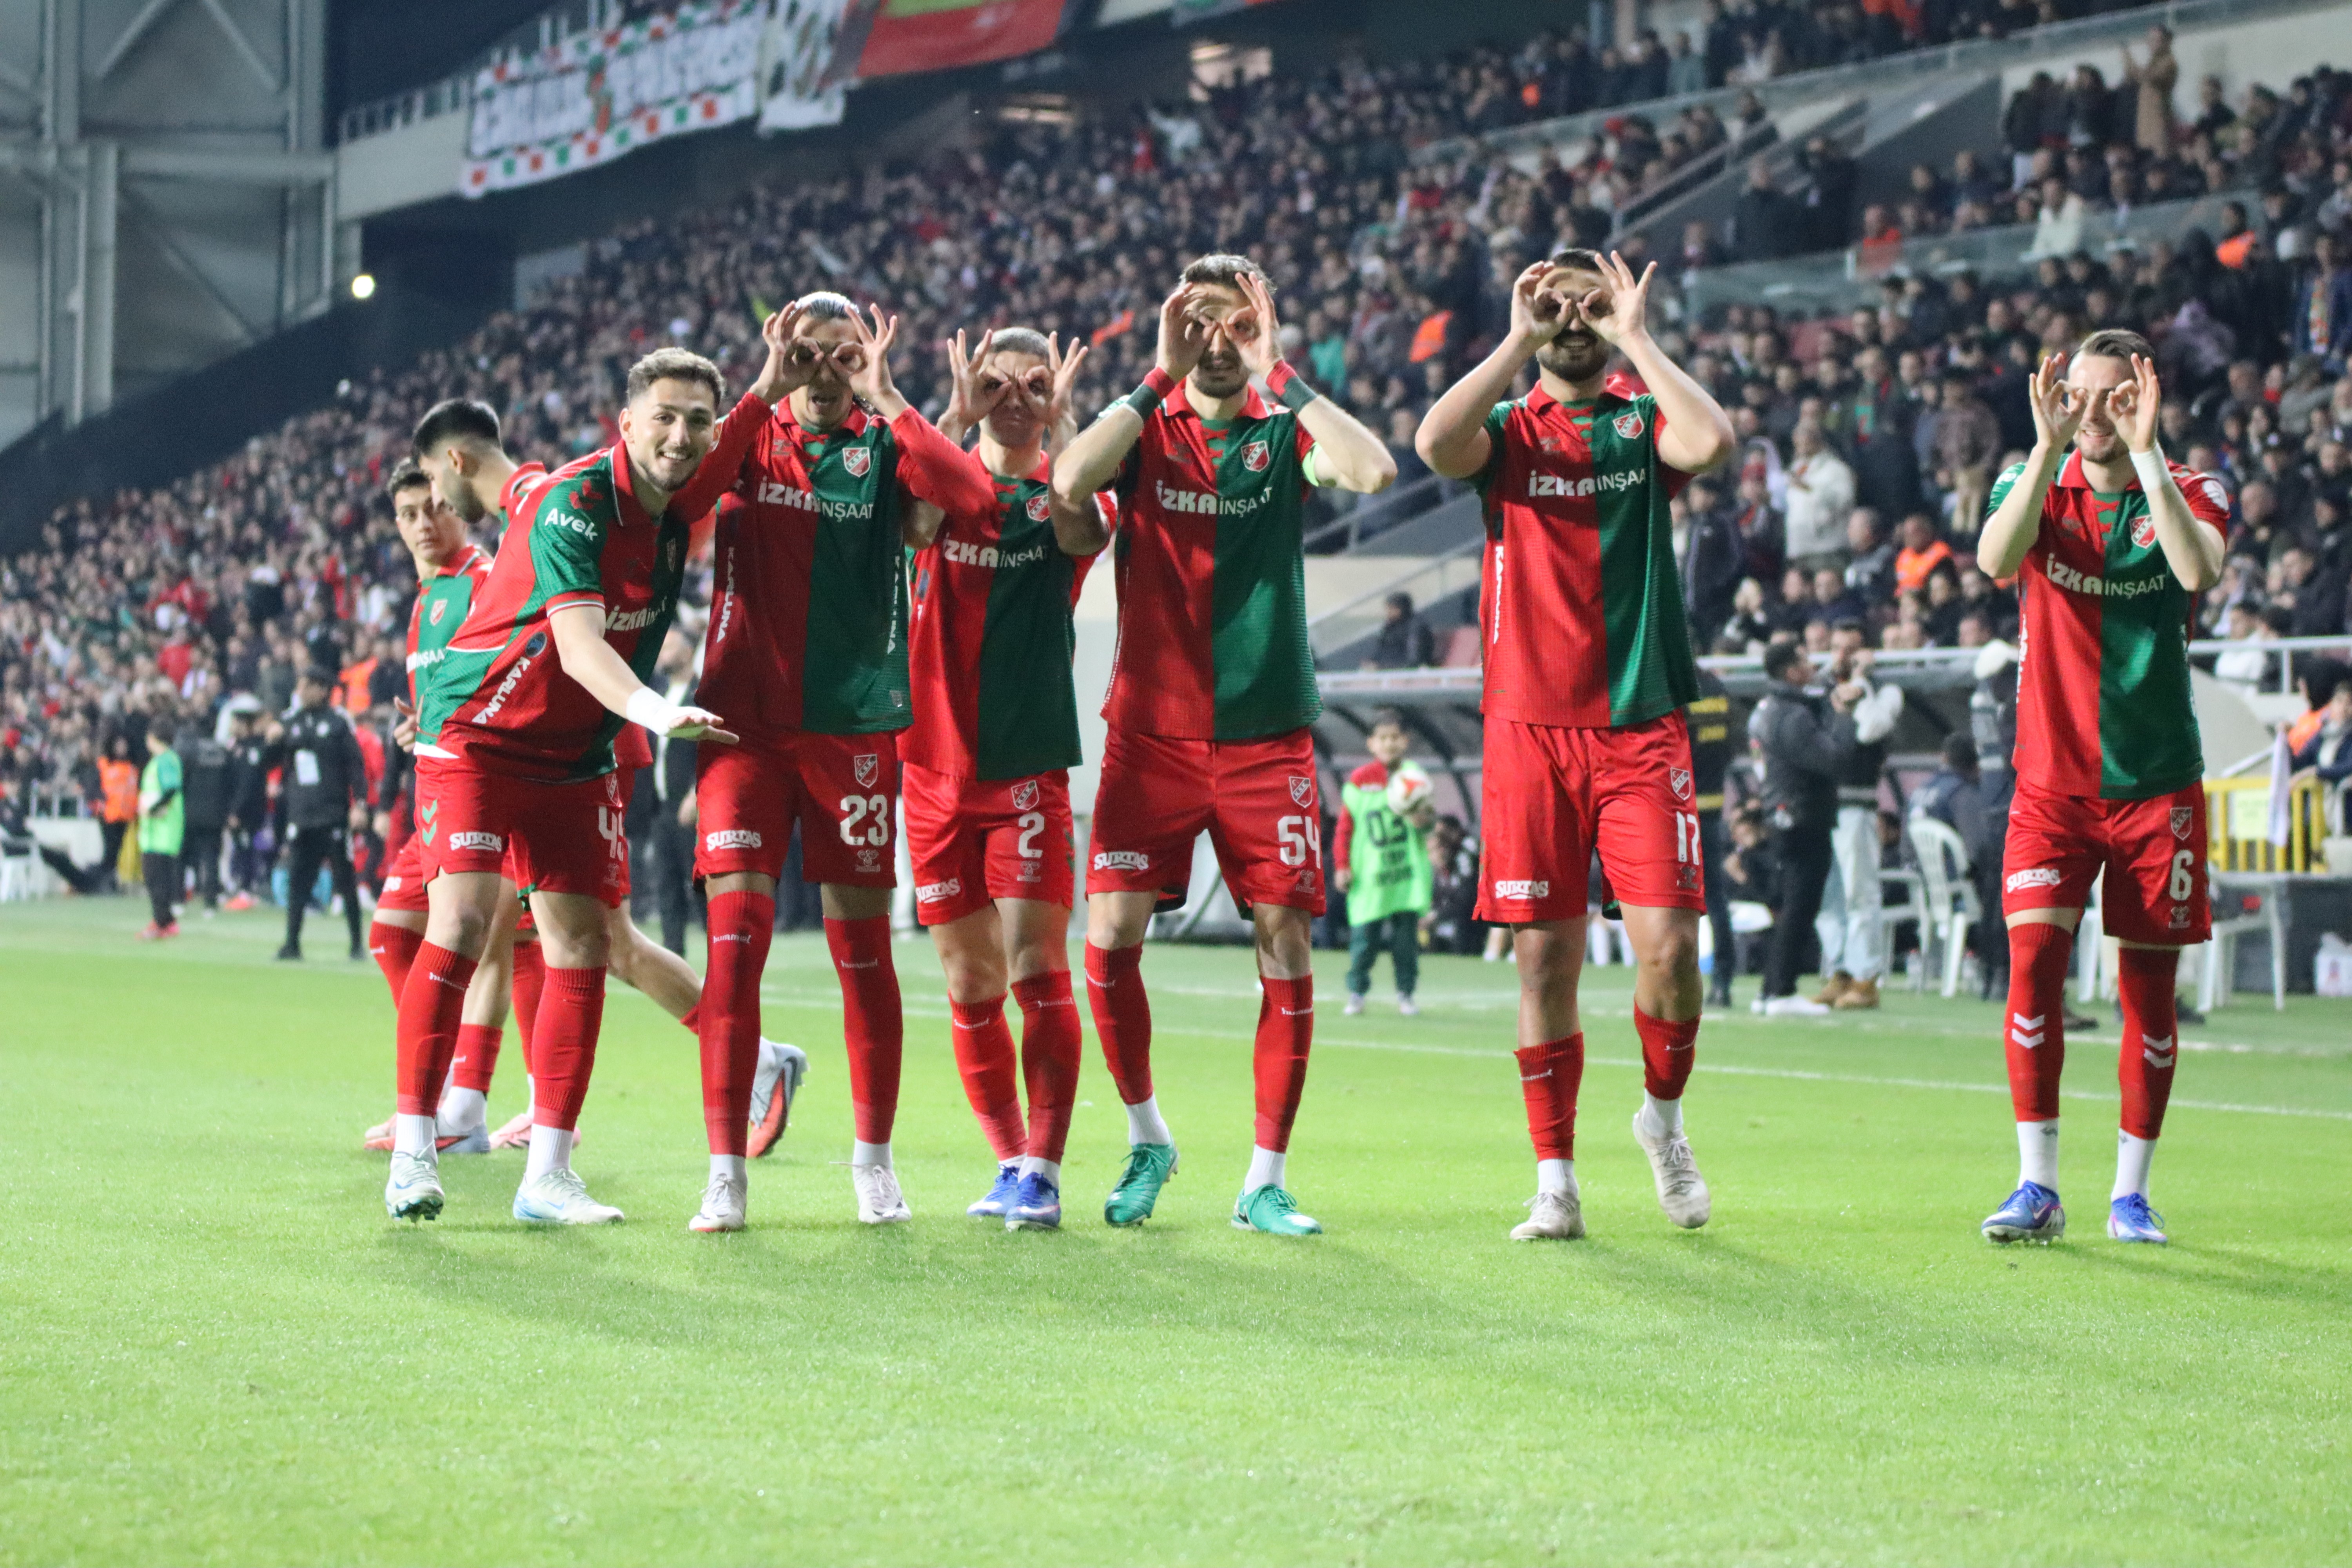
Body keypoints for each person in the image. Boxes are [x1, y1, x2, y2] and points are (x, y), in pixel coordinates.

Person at [395, 323, 793, 1227]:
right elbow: (579, 648)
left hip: (575, 754)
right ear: (626, 423)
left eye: (695, 421)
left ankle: (548, 1177)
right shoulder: (573, 502)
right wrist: (656, 709)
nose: (681, 435)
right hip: (481, 738)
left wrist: (768, 386)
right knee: (461, 925)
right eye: (664, 417)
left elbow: (719, 444)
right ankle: (418, 1150)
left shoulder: (667, 500)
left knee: (583, 945)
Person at [1053, 253, 1397, 1236]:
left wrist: (1276, 366)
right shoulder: (1145, 428)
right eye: (1199, 321)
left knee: (1285, 941)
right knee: (1110, 938)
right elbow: (1068, 479)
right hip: (1151, 732)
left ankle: (1264, 1180)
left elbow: (1374, 470)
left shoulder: (1283, 434)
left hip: (1265, 734)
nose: (1217, 340)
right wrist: (1156, 373)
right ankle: (1147, 1138)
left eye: (1235, 321)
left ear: (1263, 327)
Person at [1416, 246, 1735, 1242]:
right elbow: (1435, 443)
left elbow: (1713, 442)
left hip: (1640, 720)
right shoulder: (1510, 429)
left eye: (1588, 303)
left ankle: (1662, 1121)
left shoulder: (1641, 423)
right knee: (1543, 963)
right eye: (1553, 304)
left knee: (1671, 950)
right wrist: (1515, 339)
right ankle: (1554, 1180)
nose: (1571, 319)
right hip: (1528, 729)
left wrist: (1636, 335)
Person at [684, 294, 988, 1233]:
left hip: (852, 728)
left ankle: (874, 1164)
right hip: (740, 729)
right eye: (808, 353)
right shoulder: (751, 438)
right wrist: (759, 387)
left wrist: (891, 395)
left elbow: (972, 499)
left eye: (843, 355)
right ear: (783, 352)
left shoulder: (884, 443)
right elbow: (687, 502)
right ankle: (726, 1173)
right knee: (735, 949)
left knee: (863, 956)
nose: (825, 372)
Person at [1974, 333, 2229, 1247]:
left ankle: (2131, 1194)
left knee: (2148, 996)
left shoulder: (2192, 488)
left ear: (2146, 399)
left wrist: (2149, 454)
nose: (2091, 412)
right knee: (2034, 969)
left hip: (2157, 786)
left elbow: (2198, 570)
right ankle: (2037, 1184)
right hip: (2052, 787)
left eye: (2114, 397)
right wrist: (2045, 450)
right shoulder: (2034, 482)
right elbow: (1995, 560)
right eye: (2076, 394)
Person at [903, 324, 1108, 1232]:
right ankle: (1008, 1158)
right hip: (930, 768)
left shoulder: (1065, 491)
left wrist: (1064, 433)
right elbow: (912, 522)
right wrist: (949, 422)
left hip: (1025, 766)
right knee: (967, 979)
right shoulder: (941, 492)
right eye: (998, 383)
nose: (1015, 398)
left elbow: (1080, 527)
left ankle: (1045, 1169)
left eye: (1034, 383)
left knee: (1034, 965)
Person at [1749, 640, 1859, 1015]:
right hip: (1803, 816)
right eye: (1806, 661)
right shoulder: (1793, 716)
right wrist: (1844, 715)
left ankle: (1770, 990)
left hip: (1783, 813)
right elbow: (1835, 759)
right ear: (1791, 671)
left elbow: (1810, 694)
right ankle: (1782, 991)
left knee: (1789, 904)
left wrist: (1833, 673)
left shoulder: (1769, 707)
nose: (1812, 666)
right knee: (1801, 905)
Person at [1812, 626, 1903, 1011]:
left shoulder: (1886, 691)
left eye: (1851, 649)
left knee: (1859, 893)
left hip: (1857, 806)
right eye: (1836, 648)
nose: (1842, 656)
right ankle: (1840, 971)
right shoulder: (1820, 690)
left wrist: (1862, 684)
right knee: (1828, 896)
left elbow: (1871, 729)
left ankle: (1866, 978)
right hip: (1822, 806)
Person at [1335, 710, 1436, 1016]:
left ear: (1406, 741)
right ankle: (1357, 993)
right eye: (1383, 738)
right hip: (1370, 876)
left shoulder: (1416, 777)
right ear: (1371, 743)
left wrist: (1422, 820)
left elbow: (1429, 823)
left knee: (1406, 944)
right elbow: (1345, 827)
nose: (1389, 744)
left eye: (1395, 737)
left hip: (1405, 876)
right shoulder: (1360, 780)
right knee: (1364, 942)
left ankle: (1406, 994)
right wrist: (1342, 865)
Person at [265, 666, 369, 962]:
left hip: (333, 815)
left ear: (322, 689)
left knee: (345, 880)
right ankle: (292, 943)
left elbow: (355, 766)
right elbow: (268, 762)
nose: (300, 692)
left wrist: (360, 804)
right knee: (298, 881)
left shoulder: (338, 723)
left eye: (306, 686)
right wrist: (271, 741)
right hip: (301, 816)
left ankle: (356, 944)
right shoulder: (290, 722)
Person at [1685, 666, 1737, 1009]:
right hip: (1713, 804)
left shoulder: (1672, 687)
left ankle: (1680, 978)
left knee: (1675, 899)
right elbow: (1729, 744)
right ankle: (1723, 979)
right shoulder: (1717, 687)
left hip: (1678, 807)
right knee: (1716, 899)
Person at [135, 725, 184, 939]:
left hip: (161, 831)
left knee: (156, 878)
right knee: (157, 877)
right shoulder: (166, 760)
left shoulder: (165, 760)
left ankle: (162, 922)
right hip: (156, 831)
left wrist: (154, 808)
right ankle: (166, 921)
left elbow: (172, 788)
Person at [176, 720, 229, 916]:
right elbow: (229, 783)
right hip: (215, 814)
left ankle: (178, 900)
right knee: (211, 859)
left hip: (190, 812)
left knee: (182, 858)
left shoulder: (188, 752)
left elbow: (181, 780)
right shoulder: (222, 752)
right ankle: (210, 903)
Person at [96, 734, 137, 892]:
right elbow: (95, 785)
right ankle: (105, 883)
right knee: (110, 851)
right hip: (109, 815)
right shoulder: (105, 764)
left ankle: (109, 882)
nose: (122, 748)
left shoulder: (131, 766)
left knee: (117, 852)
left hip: (125, 816)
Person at [1365, 592, 1437, 669]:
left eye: (1391, 609)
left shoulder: (1416, 627)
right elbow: (1381, 650)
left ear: (1401, 609)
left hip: (1405, 671)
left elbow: (1414, 660)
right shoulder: (1391, 626)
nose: (1388, 612)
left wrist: (1382, 667)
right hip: (1387, 669)